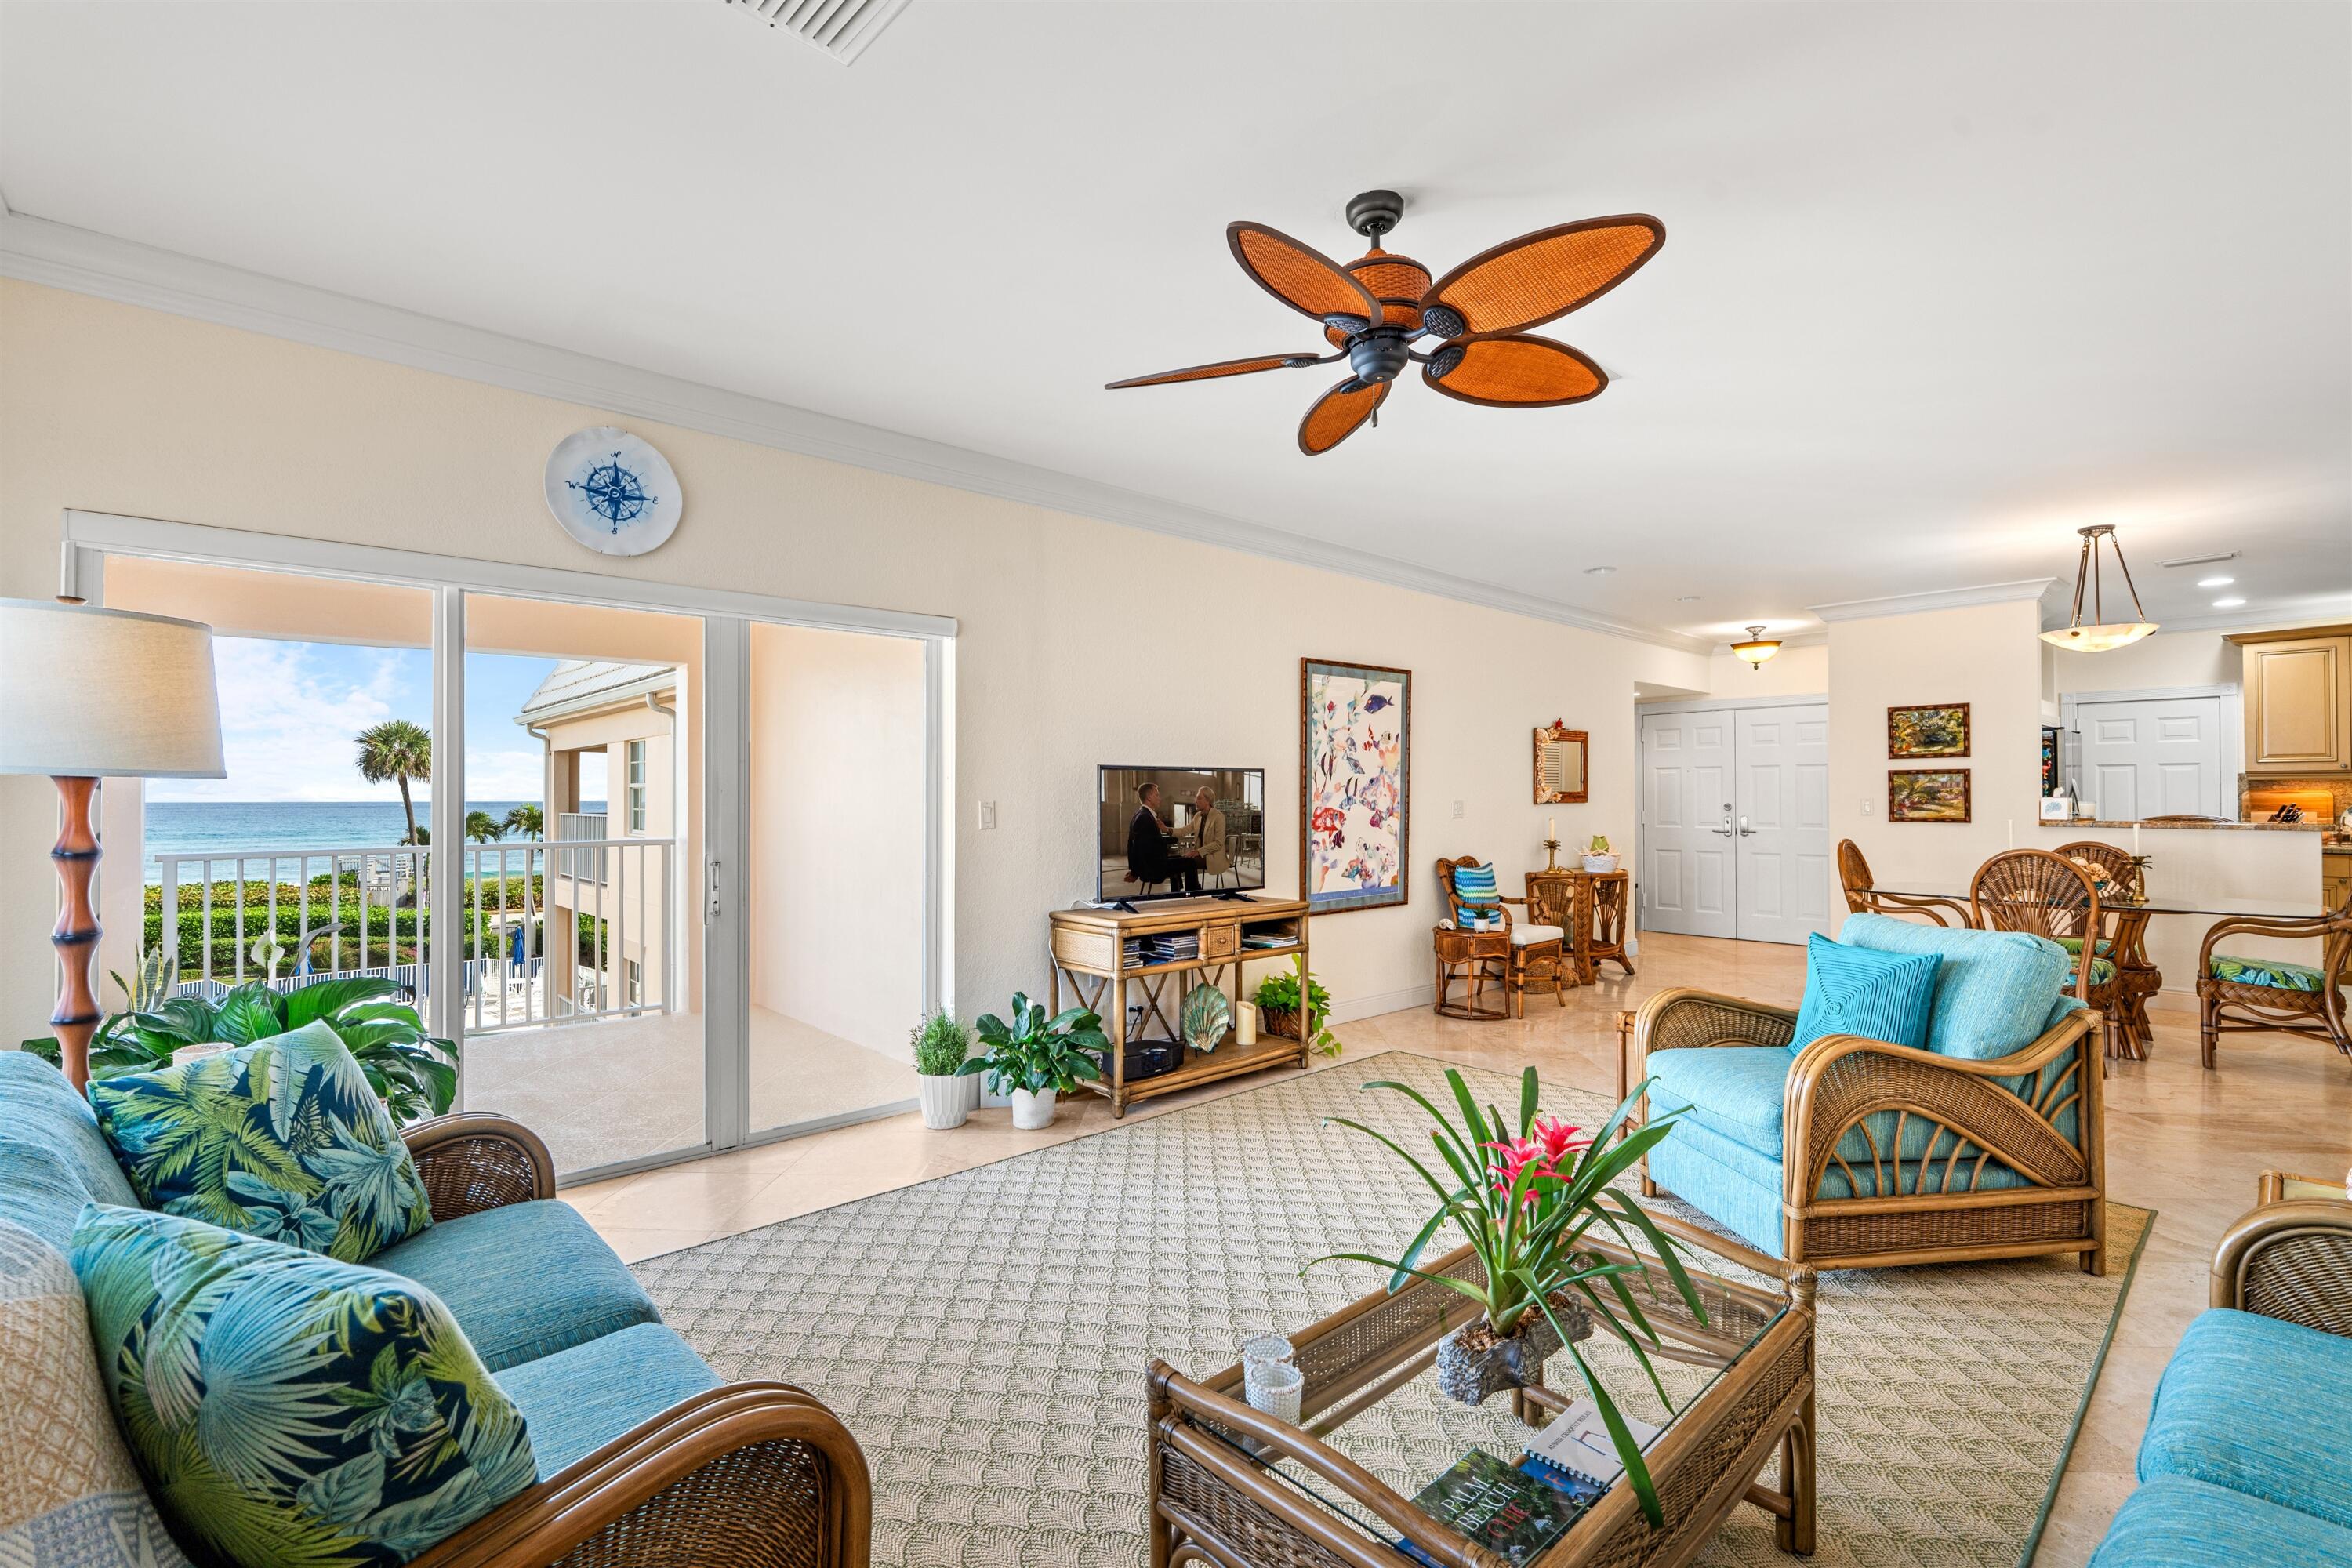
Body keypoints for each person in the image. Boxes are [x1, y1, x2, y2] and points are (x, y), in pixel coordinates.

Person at [1126, 782, 1201, 894]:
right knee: (1191, 863)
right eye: (1157, 795)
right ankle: (1194, 894)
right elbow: (1138, 847)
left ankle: (1177, 893)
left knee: (1182, 857)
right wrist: (1135, 872)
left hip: (1155, 863)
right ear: (1149, 797)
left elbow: (1133, 844)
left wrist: (1170, 836)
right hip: (1154, 868)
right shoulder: (1145, 818)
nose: (1160, 798)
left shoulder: (1139, 814)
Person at [1183, 786, 1231, 887]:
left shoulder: (1219, 817)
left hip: (1215, 857)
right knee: (1183, 860)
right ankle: (1194, 888)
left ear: (1208, 800)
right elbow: (1185, 830)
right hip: (1202, 855)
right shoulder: (1198, 816)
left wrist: (1197, 851)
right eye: (1196, 798)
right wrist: (1167, 829)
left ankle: (1193, 890)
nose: (1196, 801)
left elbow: (1218, 844)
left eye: (1199, 798)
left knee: (1188, 862)